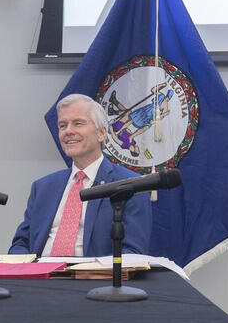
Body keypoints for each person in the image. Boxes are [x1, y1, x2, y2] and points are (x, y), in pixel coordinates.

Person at [9, 94, 152, 257]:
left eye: (78, 123)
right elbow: (21, 243)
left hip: (93, 279)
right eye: (62, 126)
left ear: (101, 133)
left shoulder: (131, 185)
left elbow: (133, 252)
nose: (68, 131)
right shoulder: (43, 187)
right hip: (39, 276)